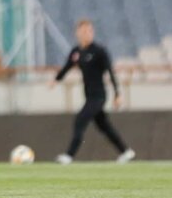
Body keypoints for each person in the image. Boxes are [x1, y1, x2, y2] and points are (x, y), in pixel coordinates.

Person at [49, 19, 135, 164]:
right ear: (77, 33)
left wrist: (117, 94)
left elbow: (110, 72)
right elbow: (66, 67)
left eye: (89, 31)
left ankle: (69, 156)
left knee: (80, 120)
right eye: (84, 31)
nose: (87, 34)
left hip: (99, 96)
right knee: (104, 126)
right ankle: (126, 151)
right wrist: (56, 80)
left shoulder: (99, 51)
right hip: (89, 95)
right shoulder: (76, 52)